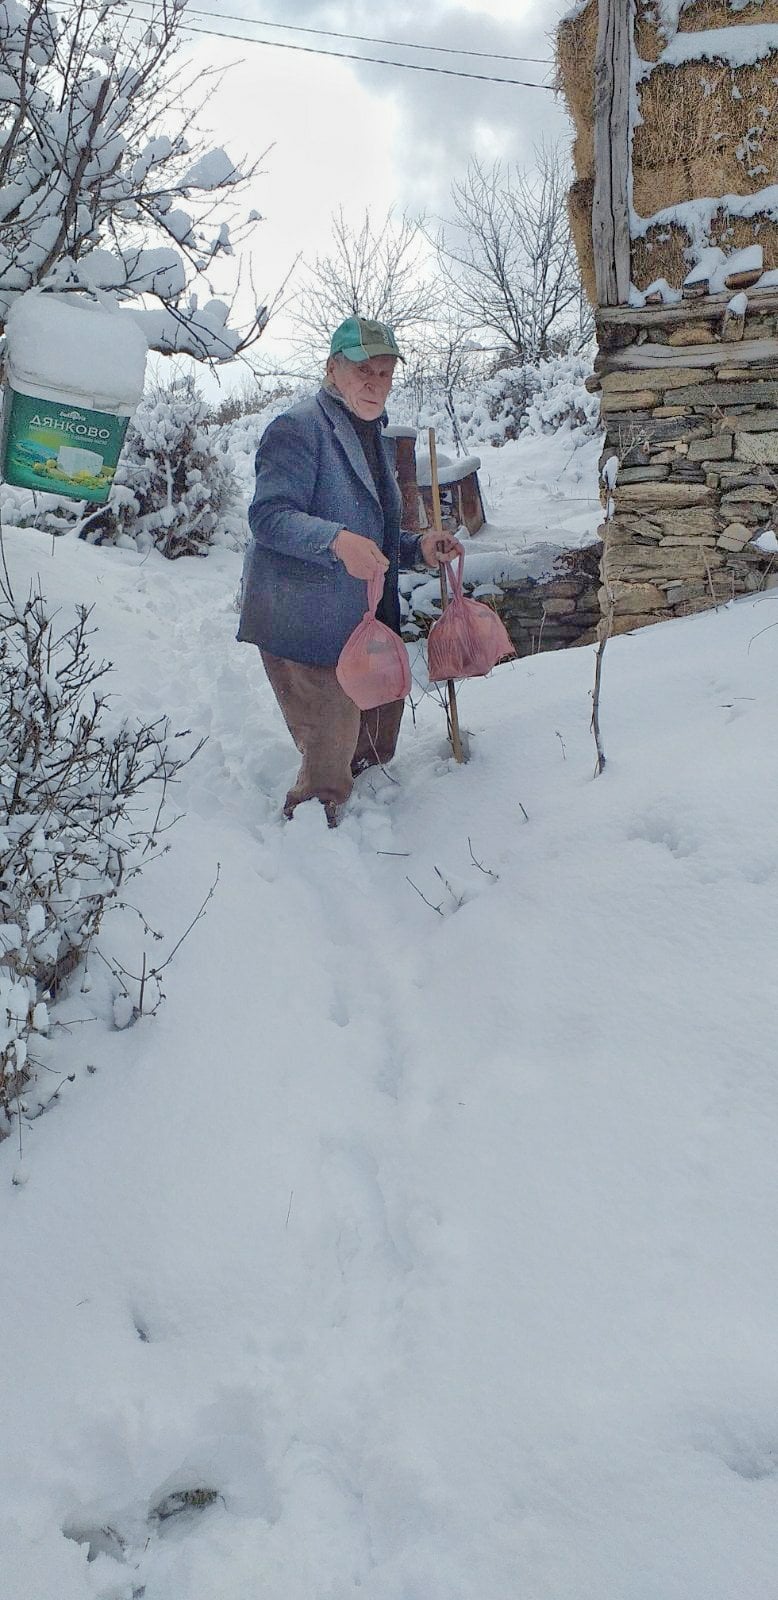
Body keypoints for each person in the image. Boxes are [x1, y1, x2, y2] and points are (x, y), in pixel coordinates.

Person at [238, 315, 463, 825]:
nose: (375, 383)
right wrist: (336, 542)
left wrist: (419, 549)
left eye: (384, 373)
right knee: (327, 761)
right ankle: (313, 846)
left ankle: (355, 809)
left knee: (376, 741)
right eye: (363, 369)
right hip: (306, 619)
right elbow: (268, 518)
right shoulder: (297, 429)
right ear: (332, 369)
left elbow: (377, 540)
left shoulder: (375, 437)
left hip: (365, 619)